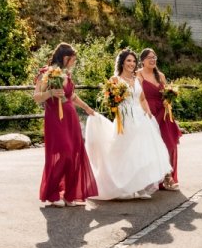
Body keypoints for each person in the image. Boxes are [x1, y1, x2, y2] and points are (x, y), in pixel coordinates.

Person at [84, 49, 172, 200]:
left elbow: (142, 98)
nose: (131, 64)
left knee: (143, 153)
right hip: (125, 119)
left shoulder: (137, 79)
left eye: (133, 61)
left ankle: (141, 187)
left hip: (141, 118)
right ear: (122, 63)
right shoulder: (115, 80)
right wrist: (116, 104)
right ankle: (124, 187)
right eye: (128, 61)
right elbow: (110, 102)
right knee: (125, 153)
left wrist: (148, 112)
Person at [34, 42, 98, 207]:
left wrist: (88, 109)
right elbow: (37, 96)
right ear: (65, 58)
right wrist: (50, 92)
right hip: (55, 117)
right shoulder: (46, 74)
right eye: (73, 59)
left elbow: (72, 96)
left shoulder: (67, 75)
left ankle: (70, 195)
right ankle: (53, 193)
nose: (74, 62)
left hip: (70, 117)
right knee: (64, 153)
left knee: (74, 153)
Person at [138, 48, 181, 190]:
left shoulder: (160, 76)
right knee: (151, 145)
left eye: (154, 57)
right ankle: (151, 178)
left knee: (168, 143)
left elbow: (167, 93)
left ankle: (167, 177)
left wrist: (168, 100)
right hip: (148, 112)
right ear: (142, 60)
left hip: (163, 112)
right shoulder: (138, 75)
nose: (152, 60)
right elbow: (136, 95)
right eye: (149, 57)